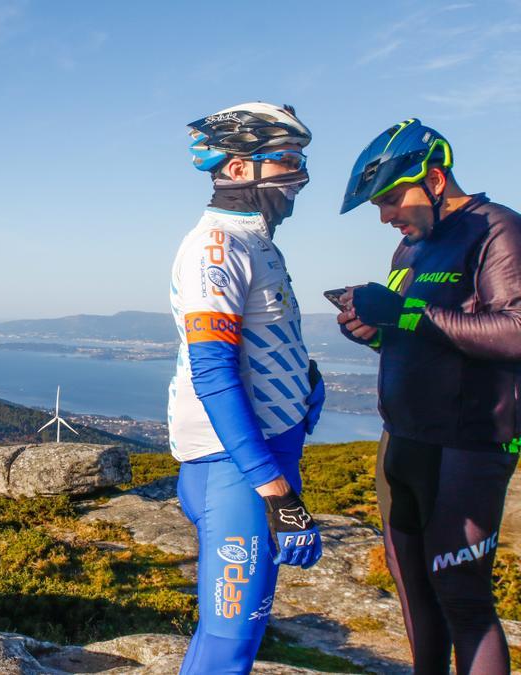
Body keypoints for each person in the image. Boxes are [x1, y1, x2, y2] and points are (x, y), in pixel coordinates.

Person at [337, 118, 521, 674]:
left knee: (462, 598)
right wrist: (374, 330)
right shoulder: (408, 253)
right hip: (404, 439)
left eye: (393, 198)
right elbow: (418, 332)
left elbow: (515, 330)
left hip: (469, 444)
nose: (387, 215)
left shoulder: (497, 229)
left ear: (436, 180)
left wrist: (407, 314)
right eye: (379, 206)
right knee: (415, 597)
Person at [169, 102, 326, 674]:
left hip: (260, 456)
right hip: (235, 466)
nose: (300, 176)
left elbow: (263, 343)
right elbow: (213, 373)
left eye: (302, 160)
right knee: (229, 642)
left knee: (239, 637)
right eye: (286, 159)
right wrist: (278, 496)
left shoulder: (255, 241)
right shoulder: (217, 249)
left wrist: (305, 382)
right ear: (237, 169)